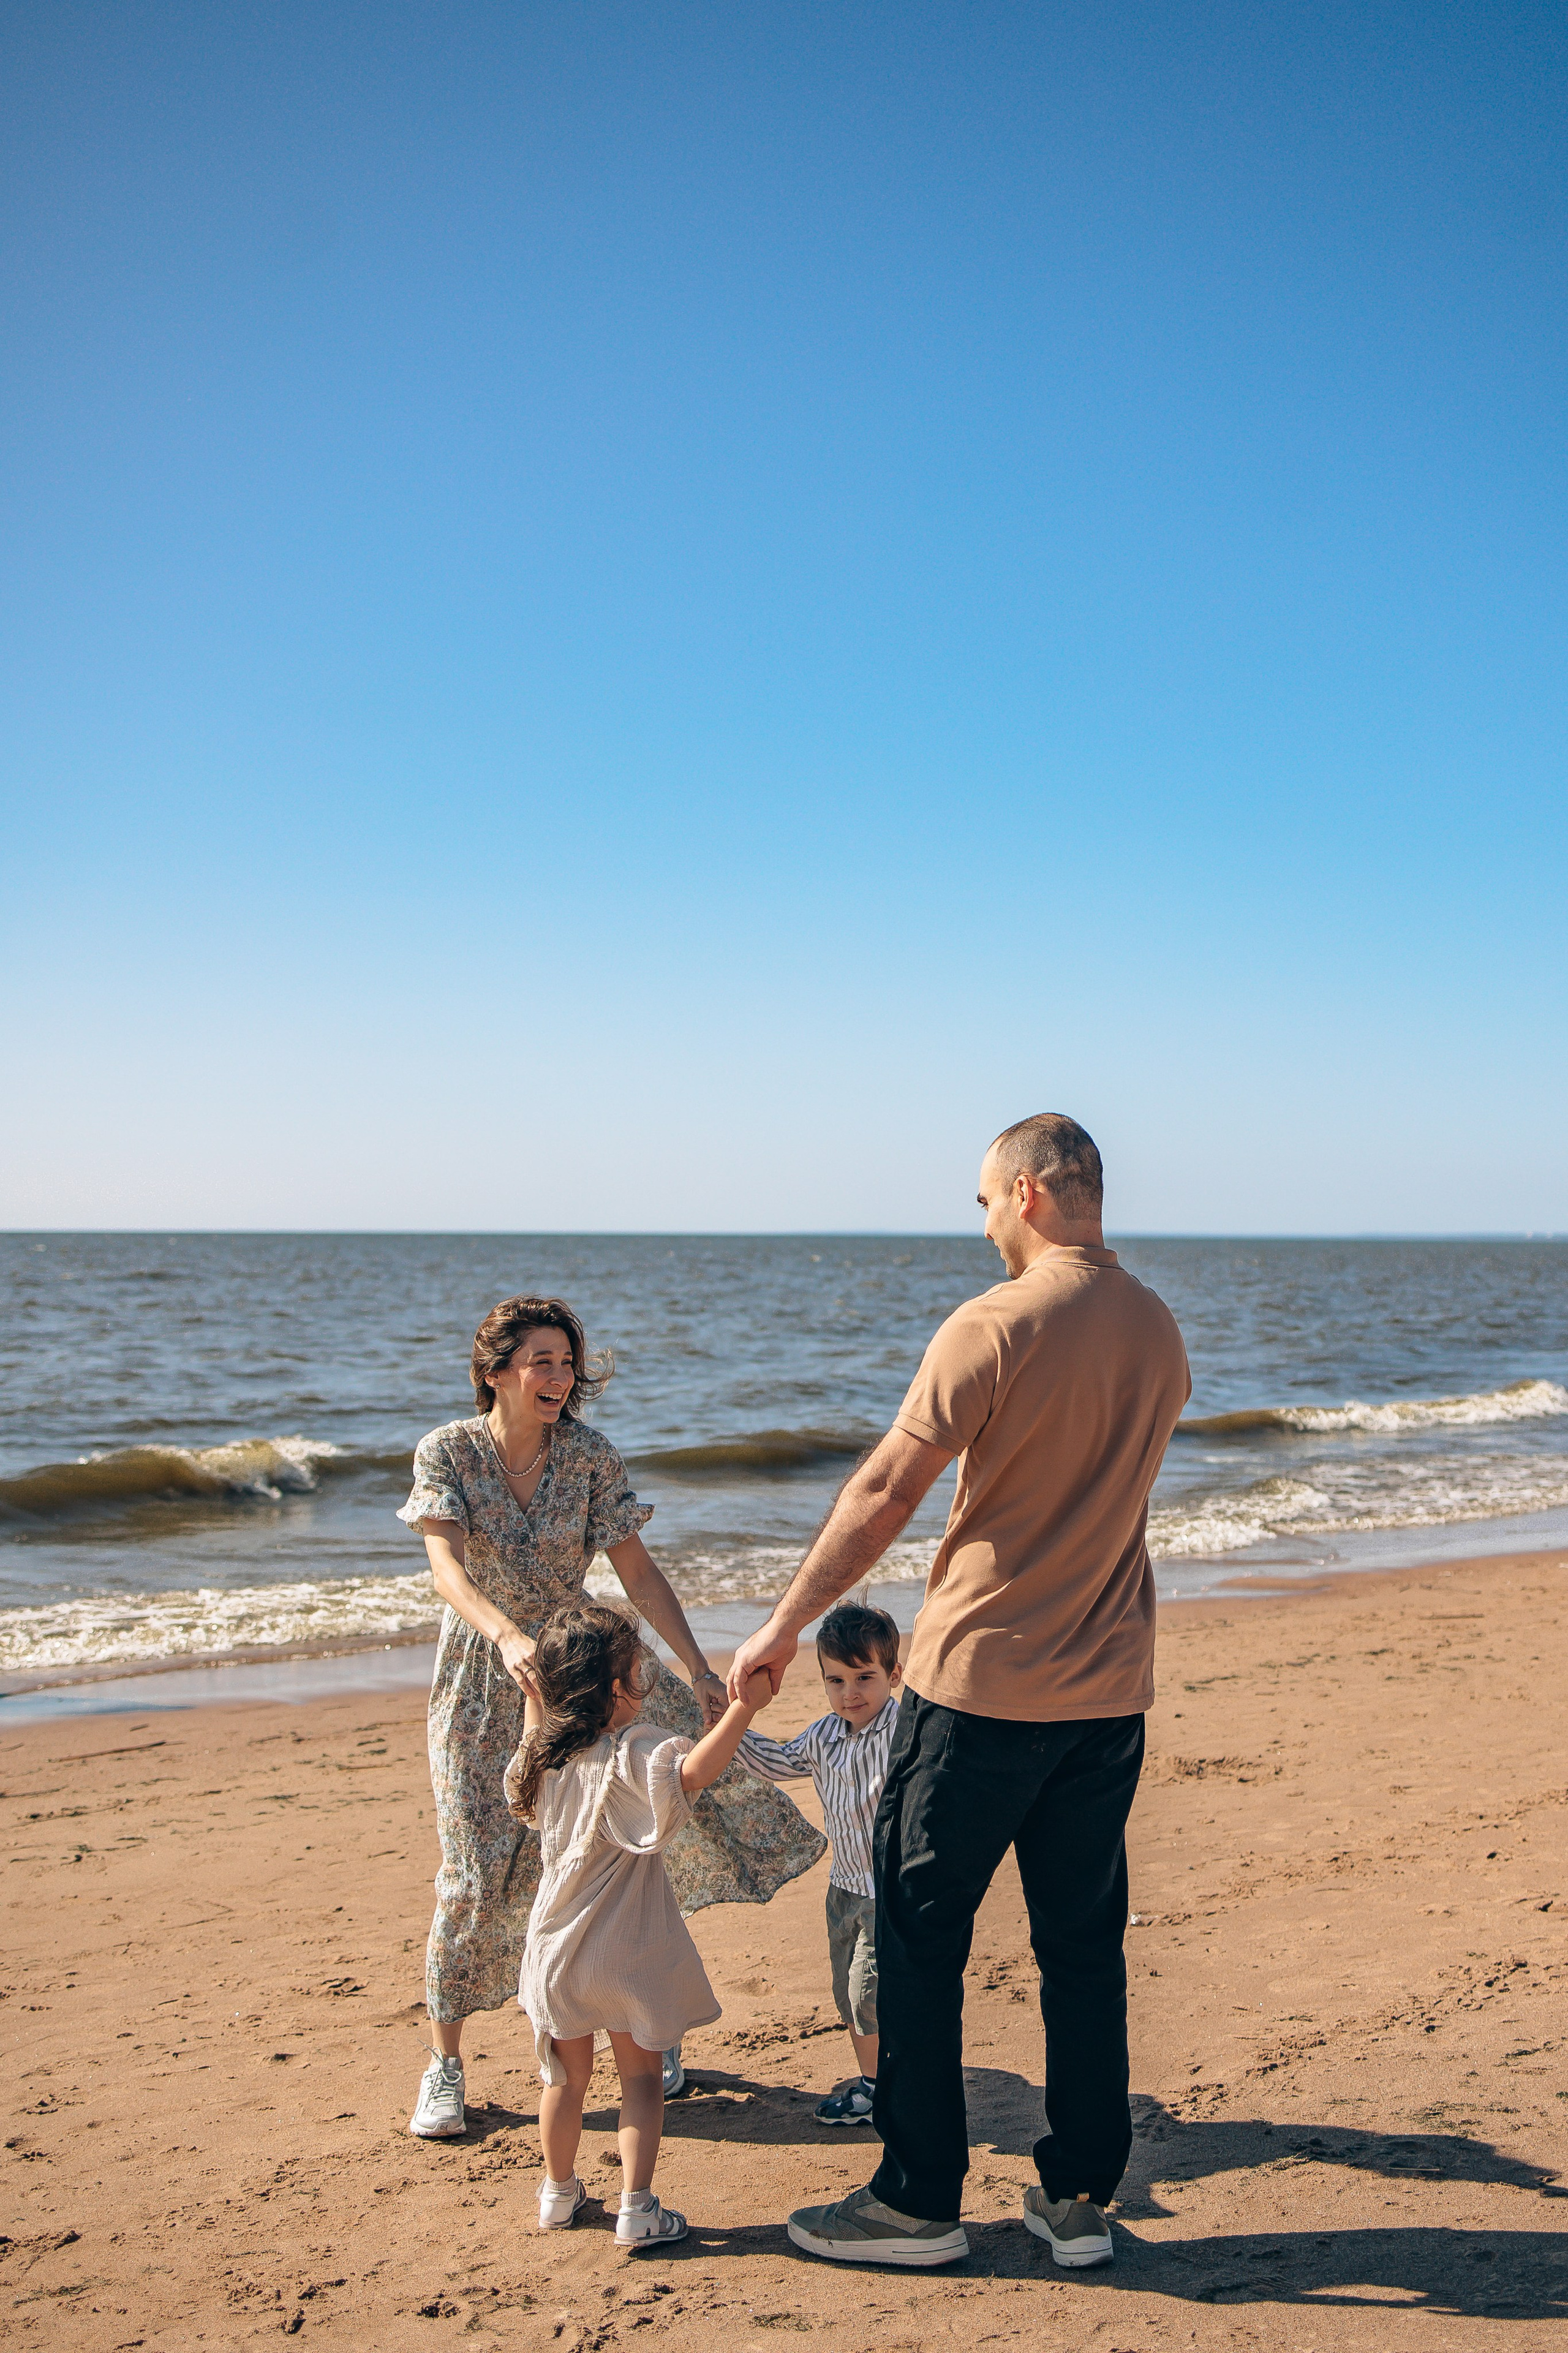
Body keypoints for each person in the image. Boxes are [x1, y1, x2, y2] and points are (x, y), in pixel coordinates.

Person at [728, 1116, 1190, 2272]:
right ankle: (1079, 2197)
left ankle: (917, 2201)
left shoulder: (995, 1322)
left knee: (919, 1939)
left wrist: (784, 1628)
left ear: (1029, 1191)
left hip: (983, 1687)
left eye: (986, 1199)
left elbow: (887, 1488)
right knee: (1082, 1948)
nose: (983, 1221)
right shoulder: (1159, 1326)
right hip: (1107, 1692)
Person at [399, 1293, 825, 2142]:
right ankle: (445, 2065)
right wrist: (506, 1634)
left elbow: (636, 1569)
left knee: (640, 1836)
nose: (559, 1377)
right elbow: (445, 1565)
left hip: (589, 1671)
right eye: (542, 1362)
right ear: (497, 1372)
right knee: (476, 1870)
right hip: (486, 1678)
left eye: (567, 1362)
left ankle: (643, 2025)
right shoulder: (448, 1450)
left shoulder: (589, 1456)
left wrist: (698, 1664)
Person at [504, 1601, 776, 2245]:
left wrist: (535, 1702)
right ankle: (637, 2207)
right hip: (625, 1954)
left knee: (565, 2080)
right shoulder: (634, 1749)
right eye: (640, 1672)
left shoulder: (545, 1757)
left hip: (557, 1953)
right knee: (640, 2080)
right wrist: (743, 1709)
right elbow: (692, 1774)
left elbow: (529, 1753)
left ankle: (557, 2192)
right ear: (619, 1689)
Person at [736, 1600, 902, 2124]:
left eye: (864, 1677)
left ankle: (883, 2090)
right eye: (836, 1680)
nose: (850, 1693)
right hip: (843, 1888)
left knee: (868, 1994)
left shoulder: (906, 1731)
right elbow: (776, 1761)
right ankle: (875, 2081)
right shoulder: (825, 1735)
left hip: (890, 1891)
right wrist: (729, 1723)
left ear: (894, 1674)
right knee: (846, 1996)